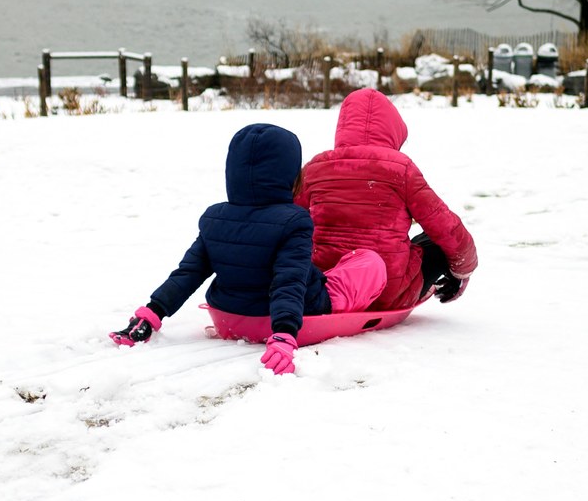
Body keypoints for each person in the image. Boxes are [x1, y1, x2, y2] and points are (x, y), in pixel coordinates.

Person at [109, 123, 387, 375]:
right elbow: (287, 282)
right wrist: (284, 335)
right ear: (290, 176)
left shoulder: (215, 218)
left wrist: (151, 313)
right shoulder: (294, 221)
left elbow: (189, 273)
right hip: (281, 320)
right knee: (368, 261)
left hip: (228, 316)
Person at [295, 88, 477, 313]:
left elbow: (291, 220)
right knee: (437, 241)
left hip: (328, 284)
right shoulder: (400, 169)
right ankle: (442, 286)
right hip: (389, 292)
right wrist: (463, 271)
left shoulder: (316, 167)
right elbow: (445, 225)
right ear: (393, 129)